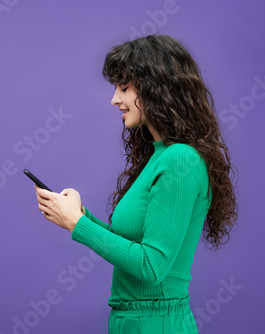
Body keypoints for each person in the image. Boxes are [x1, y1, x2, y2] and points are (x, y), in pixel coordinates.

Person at [33, 34, 238, 334]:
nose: (114, 99)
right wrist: (79, 215)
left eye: (125, 88)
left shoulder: (180, 159)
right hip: (133, 323)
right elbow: (134, 246)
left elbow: (152, 266)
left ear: (157, 89)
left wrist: (77, 224)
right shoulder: (160, 155)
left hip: (157, 325)